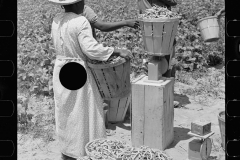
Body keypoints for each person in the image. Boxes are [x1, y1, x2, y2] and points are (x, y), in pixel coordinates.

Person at [49, 0, 133, 159]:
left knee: (67, 112)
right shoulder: (81, 21)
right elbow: (91, 50)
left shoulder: (57, 19)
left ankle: (68, 150)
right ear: (76, 4)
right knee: (84, 111)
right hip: (77, 69)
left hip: (60, 68)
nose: (84, 4)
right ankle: (84, 150)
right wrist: (116, 51)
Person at [138, 0, 179, 107]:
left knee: (154, 60)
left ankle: (160, 97)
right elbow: (173, 1)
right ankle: (164, 98)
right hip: (159, 25)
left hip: (152, 24)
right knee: (165, 60)